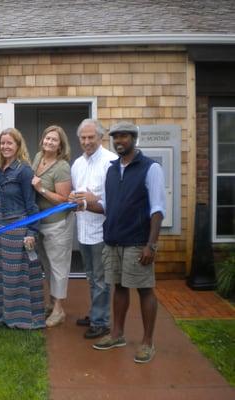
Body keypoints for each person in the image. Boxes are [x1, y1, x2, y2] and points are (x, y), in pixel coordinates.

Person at [80, 121, 165, 364]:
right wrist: (84, 204)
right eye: (116, 137)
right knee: (118, 287)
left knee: (145, 290)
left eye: (124, 137)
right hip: (113, 240)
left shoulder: (150, 168)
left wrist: (151, 244)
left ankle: (147, 342)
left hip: (138, 241)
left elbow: (158, 210)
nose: (119, 141)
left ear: (134, 139)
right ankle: (117, 334)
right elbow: (106, 205)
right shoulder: (111, 169)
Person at [0, 128, 45, 330]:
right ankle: (1, 315)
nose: (5, 147)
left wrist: (32, 232)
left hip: (18, 229)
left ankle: (21, 319)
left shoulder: (24, 171)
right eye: (2, 143)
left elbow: (32, 205)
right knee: (1, 275)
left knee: (18, 276)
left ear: (18, 146)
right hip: (0, 229)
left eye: (9, 143)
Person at [69, 119, 117, 339]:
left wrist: (90, 200)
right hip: (83, 230)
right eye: (83, 138)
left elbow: (114, 202)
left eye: (91, 137)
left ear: (101, 137)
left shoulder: (111, 162)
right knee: (90, 276)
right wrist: (73, 198)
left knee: (100, 278)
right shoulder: (78, 163)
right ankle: (95, 313)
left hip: (101, 232)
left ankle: (101, 322)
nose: (87, 141)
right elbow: (78, 194)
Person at [31, 125, 74, 327]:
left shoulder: (62, 167)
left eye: (54, 140)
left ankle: (59, 310)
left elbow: (64, 200)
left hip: (57, 225)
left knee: (58, 267)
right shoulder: (38, 157)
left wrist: (41, 189)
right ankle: (52, 301)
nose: (49, 142)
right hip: (40, 224)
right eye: (47, 138)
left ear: (60, 145)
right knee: (47, 265)